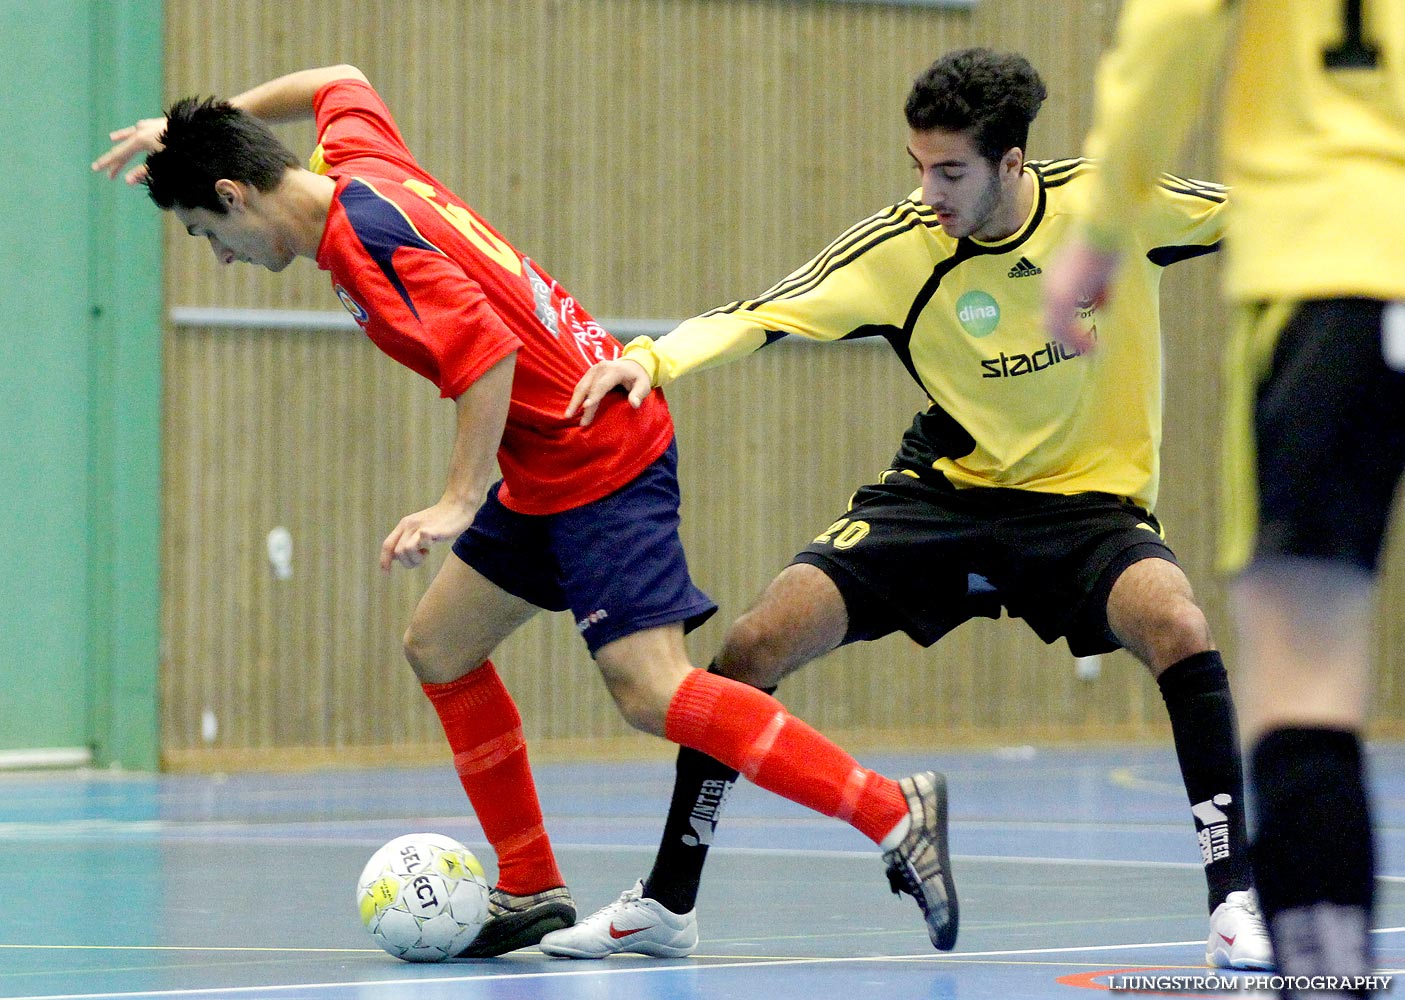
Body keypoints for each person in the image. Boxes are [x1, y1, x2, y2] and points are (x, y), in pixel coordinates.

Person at [93, 65, 954, 958]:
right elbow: (340, 79)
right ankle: (531, 882)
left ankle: (893, 810)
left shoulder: (367, 240)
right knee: (440, 646)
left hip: (601, 454)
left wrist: (457, 501)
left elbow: (486, 356)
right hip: (546, 461)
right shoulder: (355, 160)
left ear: (234, 195)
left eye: (206, 232)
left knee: (651, 688)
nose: (219, 257)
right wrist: (190, 129)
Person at [543, 47, 1273, 969]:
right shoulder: (901, 251)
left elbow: (1270, 212)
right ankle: (666, 904)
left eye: (951, 172)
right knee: (753, 644)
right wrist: (647, 361)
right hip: (945, 494)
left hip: (1086, 510)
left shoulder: (1111, 205)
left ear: (1013, 163)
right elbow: (762, 312)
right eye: (917, 166)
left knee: (1177, 624)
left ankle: (1232, 902)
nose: (927, 190)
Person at [1043, 3, 1405, 996]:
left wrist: (1102, 227)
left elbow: (1171, 33)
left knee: (1307, 676)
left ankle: (1325, 982)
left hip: (1334, 266)